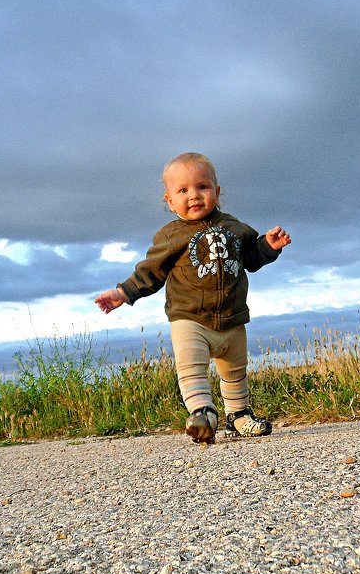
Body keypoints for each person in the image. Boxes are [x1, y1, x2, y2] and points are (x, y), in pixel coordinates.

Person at [94, 152, 292, 443]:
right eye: (183, 190)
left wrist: (269, 246)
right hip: (189, 318)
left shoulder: (234, 228)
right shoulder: (171, 236)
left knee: (235, 371)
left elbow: (250, 257)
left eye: (202, 187)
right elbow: (151, 271)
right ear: (169, 201)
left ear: (217, 191)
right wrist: (123, 292)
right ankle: (203, 414)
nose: (194, 195)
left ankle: (238, 416)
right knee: (191, 368)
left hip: (232, 318)